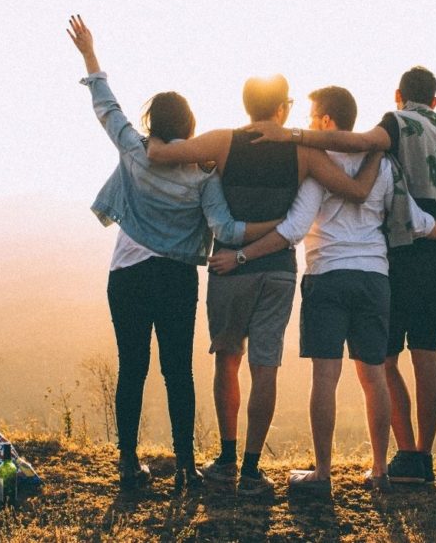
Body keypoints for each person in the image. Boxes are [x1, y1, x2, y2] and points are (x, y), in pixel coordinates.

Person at [209, 87, 436, 495]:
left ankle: (323, 474)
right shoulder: (382, 165)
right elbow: (414, 219)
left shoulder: (318, 166)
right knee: (374, 377)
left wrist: (241, 256)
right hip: (375, 279)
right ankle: (380, 471)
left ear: (328, 122)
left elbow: (293, 230)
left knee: (325, 378)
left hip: (328, 276)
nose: (310, 124)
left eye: (314, 117)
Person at [67, 15, 279, 491]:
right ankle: (185, 467)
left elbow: (107, 107)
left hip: (127, 274)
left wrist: (90, 54)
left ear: (152, 123)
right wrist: (279, 226)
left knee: (132, 368)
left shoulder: (135, 150)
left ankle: (128, 465)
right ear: (190, 126)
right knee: (177, 371)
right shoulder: (202, 173)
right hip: (177, 278)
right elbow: (224, 227)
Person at [146, 76, 382, 495]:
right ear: (282, 110)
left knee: (227, 360)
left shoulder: (222, 142)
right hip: (278, 271)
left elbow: (164, 154)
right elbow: (354, 191)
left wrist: (151, 140)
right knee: (265, 366)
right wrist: (379, 149)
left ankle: (226, 460)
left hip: (228, 269)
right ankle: (253, 470)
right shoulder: (303, 152)